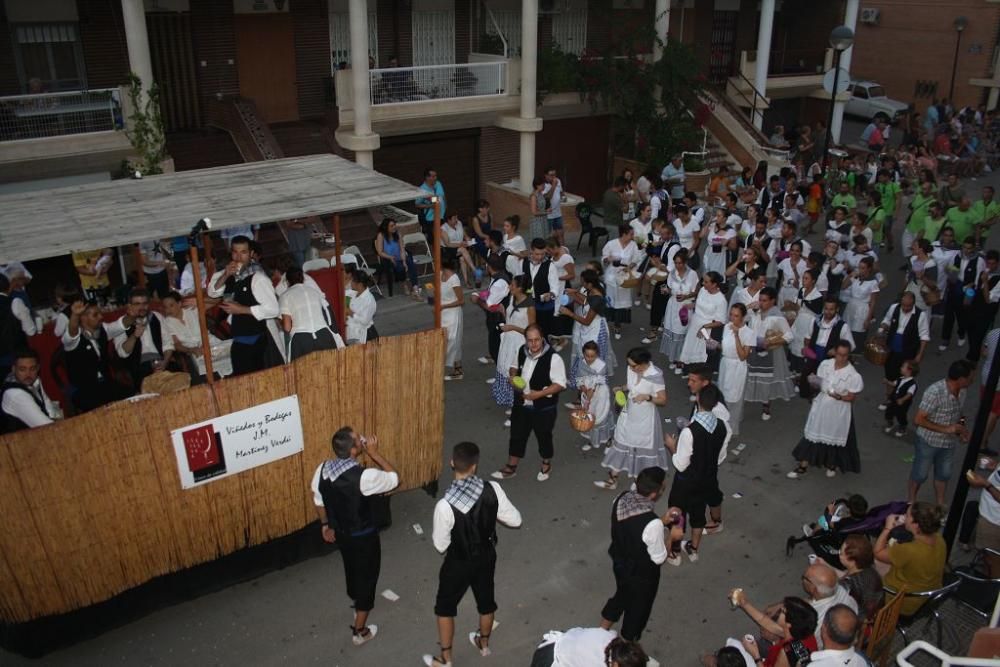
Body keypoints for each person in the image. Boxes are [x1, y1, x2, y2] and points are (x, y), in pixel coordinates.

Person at [423, 442, 522, 667]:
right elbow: (515, 520)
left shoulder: (445, 505)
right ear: (475, 466)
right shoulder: (493, 489)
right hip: (486, 555)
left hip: (458, 561)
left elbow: (440, 544)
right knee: (486, 601)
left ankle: (445, 658)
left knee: (445, 607)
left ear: (452, 463)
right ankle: (483, 643)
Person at [311, 427, 399, 647]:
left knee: (351, 567)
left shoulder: (321, 469)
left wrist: (325, 525)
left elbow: (318, 499)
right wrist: (375, 453)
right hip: (363, 536)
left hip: (341, 534)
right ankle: (360, 630)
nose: (362, 440)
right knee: (368, 578)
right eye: (359, 440)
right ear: (353, 449)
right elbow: (394, 478)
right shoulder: (364, 476)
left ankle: (356, 599)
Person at [599, 466, 670, 641]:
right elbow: (659, 557)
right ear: (655, 494)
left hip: (620, 562)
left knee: (622, 593)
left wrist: (661, 521)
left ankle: (600, 631)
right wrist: (672, 537)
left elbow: (634, 527)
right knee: (638, 610)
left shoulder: (621, 498)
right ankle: (629, 645)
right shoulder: (653, 524)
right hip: (641, 574)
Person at [492, 323, 566, 482]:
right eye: (530, 340)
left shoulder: (554, 358)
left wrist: (539, 394)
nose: (533, 344)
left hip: (544, 407)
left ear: (542, 339)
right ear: (525, 340)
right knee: (517, 434)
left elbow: (560, 384)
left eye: (536, 340)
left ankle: (546, 462)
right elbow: (513, 367)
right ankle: (511, 467)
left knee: (543, 436)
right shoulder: (521, 351)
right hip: (521, 404)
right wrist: (512, 377)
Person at [665, 384, 730, 563]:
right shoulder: (722, 426)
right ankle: (693, 549)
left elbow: (681, 464)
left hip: (686, 481)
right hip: (707, 479)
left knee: (677, 514)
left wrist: (672, 447)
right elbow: (720, 456)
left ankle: (675, 553)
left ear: (698, 400)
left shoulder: (689, 431)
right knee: (698, 513)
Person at [596, 348, 669, 490]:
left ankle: (639, 482)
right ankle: (613, 479)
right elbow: (632, 386)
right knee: (621, 443)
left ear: (643, 363)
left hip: (645, 419)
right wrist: (622, 388)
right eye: (629, 364)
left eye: (633, 365)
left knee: (640, 449)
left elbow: (663, 400)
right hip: (629, 414)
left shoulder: (655, 375)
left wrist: (647, 397)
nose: (630, 368)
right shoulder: (632, 369)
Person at [788, 341, 863, 479]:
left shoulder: (853, 375)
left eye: (845, 355)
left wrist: (839, 396)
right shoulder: (825, 364)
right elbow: (820, 383)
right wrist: (814, 383)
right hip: (821, 406)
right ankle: (803, 465)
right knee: (813, 434)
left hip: (838, 411)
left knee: (833, 436)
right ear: (834, 352)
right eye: (840, 354)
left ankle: (831, 464)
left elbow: (852, 397)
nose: (842, 358)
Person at [207, 235, 281, 375]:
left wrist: (241, 309)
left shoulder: (258, 278)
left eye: (243, 252)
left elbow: (273, 309)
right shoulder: (228, 273)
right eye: (235, 252)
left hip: (257, 338)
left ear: (251, 254)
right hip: (239, 336)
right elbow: (212, 292)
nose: (239, 257)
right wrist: (225, 275)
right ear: (231, 253)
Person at [910, 360, 973, 504]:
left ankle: (940, 503)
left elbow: (959, 414)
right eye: (970, 378)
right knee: (920, 475)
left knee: (944, 474)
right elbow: (918, 419)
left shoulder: (962, 391)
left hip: (948, 443)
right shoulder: (935, 392)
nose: (972, 381)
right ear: (961, 379)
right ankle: (911, 502)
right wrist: (946, 429)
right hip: (928, 441)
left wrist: (961, 429)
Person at [875, 502, 947, 616]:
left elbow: (878, 552)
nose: (904, 516)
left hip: (904, 602)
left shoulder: (909, 550)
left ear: (916, 525)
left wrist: (887, 528)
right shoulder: (940, 540)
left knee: (872, 565)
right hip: (928, 595)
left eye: (907, 515)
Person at [729, 592, 817, 667]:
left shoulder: (787, 652)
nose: (779, 608)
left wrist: (756, 656)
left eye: (783, 610)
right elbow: (764, 620)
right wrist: (744, 603)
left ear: (789, 624)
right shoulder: (800, 631)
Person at [745, 287, 795, 420]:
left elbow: (789, 335)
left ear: (773, 301)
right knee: (755, 374)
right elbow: (742, 319)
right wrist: (749, 307)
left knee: (767, 378)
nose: (761, 303)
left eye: (765, 300)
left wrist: (771, 342)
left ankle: (766, 406)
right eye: (760, 300)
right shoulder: (756, 311)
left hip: (771, 352)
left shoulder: (776, 316)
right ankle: (755, 396)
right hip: (755, 348)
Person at [491, 275, 535, 422]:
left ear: (520, 288)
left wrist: (513, 327)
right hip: (508, 342)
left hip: (520, 343)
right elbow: (511, 317)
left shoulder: (529, 306)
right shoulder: (512, 299)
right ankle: (513, 403)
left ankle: (519, 408)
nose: (510, 287)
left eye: (512, 285)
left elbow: (532, 331)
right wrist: (504, 312)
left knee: (516, 375)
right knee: (507, 370)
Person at [562, 269, 616, 386]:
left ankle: (590, 383)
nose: (581, 284)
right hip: (590, 329)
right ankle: (582, 380)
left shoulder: (597, 298)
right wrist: (575, 293)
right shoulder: (593, 290)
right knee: (584, 355)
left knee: (589, 357)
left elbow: (586, 321)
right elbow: (586, 301)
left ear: (589, 284)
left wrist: (569, 313)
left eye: (583, 282)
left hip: (595, 330)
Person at [112, 288, 174, 388]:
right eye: (137, 304)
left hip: (161, 361)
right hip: (138, 366)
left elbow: (168, 344)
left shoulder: (156, 317)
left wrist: (165, 362)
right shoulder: (121, 324)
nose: (142, 307)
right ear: (129, 305)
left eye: (145, 303)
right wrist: (134, 336)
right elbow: (122, 353)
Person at [280, 266, 341, 361]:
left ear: (287, 282)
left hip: (302, 340)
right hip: (324, 335)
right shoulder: (314, 291)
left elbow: (287, 327)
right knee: (330, 369)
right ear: (303, 278)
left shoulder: (285, 296)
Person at [941, 236, 985, 352]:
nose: (966, 250)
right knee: (949, 315)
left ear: (973, 248)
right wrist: (950, 275)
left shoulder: (979, 261)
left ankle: (961, 333)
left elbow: (977, 279)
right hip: (954, 287)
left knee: (962, 316)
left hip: (967, 290)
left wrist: (971, 287)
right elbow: (949, 269)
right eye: (964, 247)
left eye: (969, 248)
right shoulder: (956, 256)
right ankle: (945, 339)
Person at [719, 304, 756, 440]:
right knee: (723, 394)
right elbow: (725, 348)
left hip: (737, 367)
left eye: (736, 316)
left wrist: (736, 335)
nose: (732, 318)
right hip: (725, 365)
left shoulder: (749, 333)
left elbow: (742, 356)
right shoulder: (726, 327)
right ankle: (722, 423)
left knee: (734, 398)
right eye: (731, 315)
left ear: (742, 317)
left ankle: (732, 427)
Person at [0, 348, 60, 432]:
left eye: (32, 369)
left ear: (38, 368)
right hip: (18, 443)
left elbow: (50, 409)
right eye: (22, 369)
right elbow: (45, 427)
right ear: (13, 369)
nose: (28, 374)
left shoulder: (35, 381)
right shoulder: (16, 395)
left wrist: (58, 420)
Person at [660, 249, 700, 374]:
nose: (678, 266)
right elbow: (670, 288)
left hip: (685, 307)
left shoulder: (692, 274)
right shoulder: (672, 273)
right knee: (672, 331)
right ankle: (673, 358)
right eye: (676, 263)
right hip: (672, 306)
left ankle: (680, 361)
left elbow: (697, 291)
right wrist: (666, 291)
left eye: (680, 263)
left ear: (685, 262)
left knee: (681, 332)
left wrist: (686, 297)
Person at [678, 271, 728, 370]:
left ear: (714, 284)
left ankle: (698, 371)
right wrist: (689, 306)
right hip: (695, 323)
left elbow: (720, 321)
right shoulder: (702, 290)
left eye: (706, 282)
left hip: (707, 328)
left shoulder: (721, 300)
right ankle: (688, 368)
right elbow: (698, 303)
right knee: (690, 345)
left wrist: (704, 327)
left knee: (701, 350)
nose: (703, 284)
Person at [573, 341, 614, 452]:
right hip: (586, 393)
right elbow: (579, 378)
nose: (589, 358)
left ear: (597, 355)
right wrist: (582, 388)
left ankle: (609, 439)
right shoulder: (581, 363)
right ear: (583, 354)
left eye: (592, 356)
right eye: (587, 356)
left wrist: (590, 393)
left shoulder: (601, 366)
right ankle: (592, 440)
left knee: (601, 417)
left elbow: (598, 383)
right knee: (589, 417)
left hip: (599, 394)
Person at [530, 630, 648, 667]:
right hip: (549, 661)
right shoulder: (598, 663)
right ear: (616, 665)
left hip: (559, 643)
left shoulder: (612, 638)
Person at [602, 225, 640, 340]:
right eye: (631, 234)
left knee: (622, 302)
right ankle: (613, 323)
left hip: (625, 276)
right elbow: (603, 258)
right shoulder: (611, 244)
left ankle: (619, 324)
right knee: (612, 300)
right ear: (624, 234)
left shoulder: (633, 245)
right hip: (612, 276)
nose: (633, 236)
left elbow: (636, 259)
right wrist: (608, 259)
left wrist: (629, 267)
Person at [836, 534, 884, 622]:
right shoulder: (870, 570)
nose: (839, 554)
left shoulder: (847, 585)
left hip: (859, 621)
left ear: (852, 561)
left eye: (841, 553)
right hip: (876, 613)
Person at [522, 238, 561, 337]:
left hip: (543, 307)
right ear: (531, 250)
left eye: (542, 254)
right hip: (528, 303)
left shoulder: (550, 266)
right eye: (537, 254)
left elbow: (555, 286)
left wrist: (551, 294)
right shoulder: (524, 263)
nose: (540, 257)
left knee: (543, 334)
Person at [967, 460, 1000, 576]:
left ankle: (990, 587)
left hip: (993, 521)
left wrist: (986, 484)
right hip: (991, 515)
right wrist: (996, 466)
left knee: (991, 561)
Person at [841, 256, 880, 351]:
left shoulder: (873, 282)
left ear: (869, 269)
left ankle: (856, 353)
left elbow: (873, 302)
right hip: (851, 306)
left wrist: (868, 318)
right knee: (847, 330)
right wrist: (851, 276)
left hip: (862, 308)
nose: (860, 270)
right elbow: (843, 286)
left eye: (863, 268)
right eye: (859, 267)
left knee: (857, 332)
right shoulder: (856, 278)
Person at [375, 218, 421, 299]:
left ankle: (415, 288)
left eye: (394, 225)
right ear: (386, 227)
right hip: (388, 257)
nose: (394, 227)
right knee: (400, 268)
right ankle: (405, 284)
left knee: (411, 264)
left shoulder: (397, 234)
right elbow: (379, 252)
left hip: (400, 255)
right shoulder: (381, 235)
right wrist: (390, 257)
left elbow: (402, 249)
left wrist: (404, 261)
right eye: (391, 226)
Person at [438, 258, 465, 381]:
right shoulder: (439, 275)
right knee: (444, 341)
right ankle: (457, 368)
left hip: (453, 314)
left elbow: (461, 300)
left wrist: (444, 306)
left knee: (453, 341)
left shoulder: (454, 279)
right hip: (442, 314)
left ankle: (449, 368)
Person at [883, 360, 919, 438]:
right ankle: (890, 423)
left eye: (903, 367)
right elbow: (894, 384)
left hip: (903, 403)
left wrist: (902, 399)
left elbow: (909, 394)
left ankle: (902, 427)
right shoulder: (900, 378)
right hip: (894, 400)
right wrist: (887, 382)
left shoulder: (912, 384)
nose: (901, 368)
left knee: (901, 415)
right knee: (889, 411)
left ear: (909, 370)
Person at [345, 270, 378, 345]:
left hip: (366, 336)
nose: (350, 282)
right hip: (353, 334)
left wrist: (350, 313)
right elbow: (343, 293)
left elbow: (365, 321)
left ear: (359, 284)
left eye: (352, 281)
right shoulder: (353, 293)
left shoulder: (369, 300)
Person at [416, 168, 446, 239]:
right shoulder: (422, 189)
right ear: (427, 177)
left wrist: (445, 206)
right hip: (431, 219)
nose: (435, 178)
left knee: (442, 237)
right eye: (433, 176)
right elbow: (417, 204)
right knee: (434, 239)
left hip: (441, 216)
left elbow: (442, 196)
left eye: (436, 176)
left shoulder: (438, 183)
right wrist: (430, 205)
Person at [543, 167, 565, 246]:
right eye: (551, 175)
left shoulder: (558, 181)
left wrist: (563, 196)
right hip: (548, 215)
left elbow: (561, 192)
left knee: (561, 234)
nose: (554, 177)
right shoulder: (544, 185)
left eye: (555, 175)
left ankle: (564, 253)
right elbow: (548, 198)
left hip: (558, 213)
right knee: (548, 236)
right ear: (546, 176)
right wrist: (553, 186)